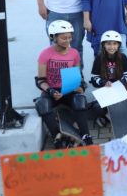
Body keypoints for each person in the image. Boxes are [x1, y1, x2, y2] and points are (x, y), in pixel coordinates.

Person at [34, 20, 92, 149]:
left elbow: (78, 75)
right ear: (53, 37)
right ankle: (57, 136)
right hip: (52, 90)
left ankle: (86, 135)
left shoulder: (74, 53)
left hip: (69, 90)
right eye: (63, 38)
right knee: (42, 104)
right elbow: (40, 80)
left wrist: (81, 87)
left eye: (70, 37)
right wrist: (51, 92)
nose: (68, 41)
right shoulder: (45, 54)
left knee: (80, 100)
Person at [89, 30, 127, 126]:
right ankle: (106, 116)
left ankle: (123, 116)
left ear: (118, 45)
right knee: (97, 107)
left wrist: (121, 82)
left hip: (119, 89)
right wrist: (103, 82)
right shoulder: (99, 58)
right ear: (104, 45)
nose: (112, 47)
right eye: (109, 44)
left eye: (114, 44)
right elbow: (94, 77)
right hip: (105, 89)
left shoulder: (123, 57)